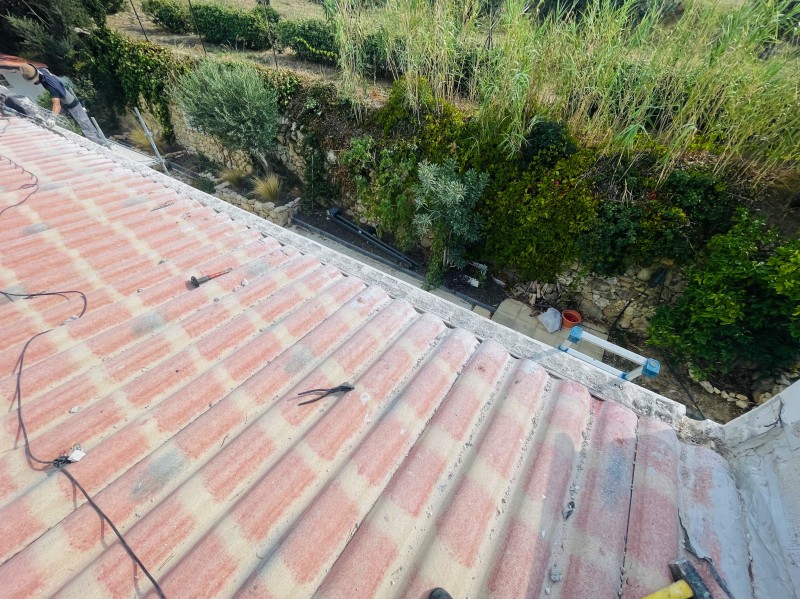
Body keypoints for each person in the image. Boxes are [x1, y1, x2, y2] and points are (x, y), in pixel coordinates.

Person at [17, 63, 105, 144]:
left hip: (72, 104)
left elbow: (56, 104)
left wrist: (52, 118)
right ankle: (99, 140)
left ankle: (98, 143)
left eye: (33, 81)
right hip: (66, 101)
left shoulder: (51, 86)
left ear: (36, 78)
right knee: (83, 122)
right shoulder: (42, 71)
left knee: (85, 124)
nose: (34, 83)